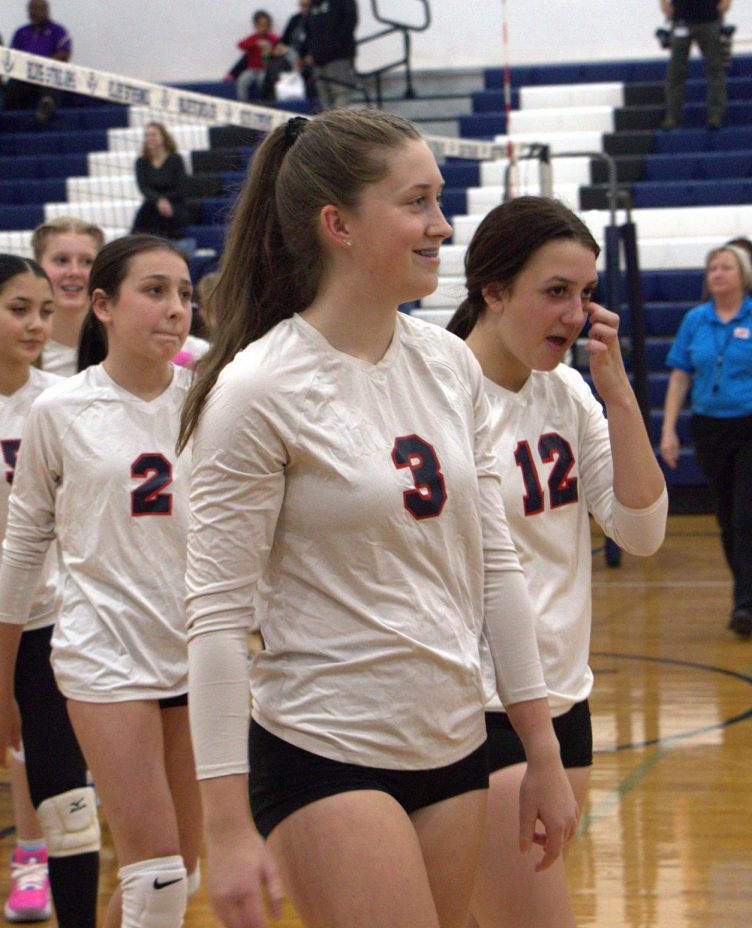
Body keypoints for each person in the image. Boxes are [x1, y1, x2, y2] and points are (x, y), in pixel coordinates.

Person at [178, 110, 579, 928]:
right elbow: (216, 620)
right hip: (324, 748)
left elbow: (494, 566)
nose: (442, 225)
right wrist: (224, 826)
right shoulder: (259, 390)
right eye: (418, 202)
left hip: (455, 738)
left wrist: (541, 748)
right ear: (339, 226)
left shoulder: (445, 363)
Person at [446, 196, 668, 928]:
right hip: (476, 701)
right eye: (555, 292)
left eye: (585, 294)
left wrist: (620, 393)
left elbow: (641, 530)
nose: (576, 315)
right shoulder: (440, 394)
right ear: (494, 290)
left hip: (564, 695)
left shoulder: (569, 390)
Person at [0, 235, 202, 928]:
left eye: (183, 293)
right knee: (156, 876)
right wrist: (1, 678)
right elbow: (24, 545)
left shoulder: (213, 399)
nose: (175, 309)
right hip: (103, 655)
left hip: (196, 653)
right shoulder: (59, 411)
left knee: (184, 873)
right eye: (154, 291)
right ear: (102, 306)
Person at [0, 255, 100, 928]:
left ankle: (48, 877)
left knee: (65, 790)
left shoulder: (60, 401)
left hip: (46, 623)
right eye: (18, 309)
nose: (37, 323)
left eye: (44, 309)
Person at [660, 245, 752, 637]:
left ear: (743, 276)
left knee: (746, 516)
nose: (717, 273)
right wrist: (669, 428)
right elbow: (679, 376)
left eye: (725, 267)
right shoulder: (695, 320)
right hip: (710, 428)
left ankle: (745, 605)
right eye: (712, 268)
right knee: (726, 519)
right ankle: (744, 591)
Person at [31, 219, 105, 378]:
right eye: (61, 260)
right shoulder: (13, 348)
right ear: (37, 266)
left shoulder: (122, 346)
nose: (74, 272)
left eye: (86, 261)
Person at [659, 0, 731, 131]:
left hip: (709, 17)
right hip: (681, 17)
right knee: (675, 72)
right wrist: (663, 3)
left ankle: (715, 115)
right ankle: (672, 117)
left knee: (714, 69)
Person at [4, 0, 71, 122]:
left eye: (38, 9)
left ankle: (46, 107)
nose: (34, 13)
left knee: (56, 85)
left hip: (48, 75)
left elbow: (64, 53)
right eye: (31, 10)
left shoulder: (58, 31)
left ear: (46, 11)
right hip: (24, 77)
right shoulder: (21, 32)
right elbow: (12, 55)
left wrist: (41, 65)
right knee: (9, 89)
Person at [131, 123, 189, 241]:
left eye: (153, 134)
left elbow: (181, 187)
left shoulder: (175, 159)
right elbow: (144, 188)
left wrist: (165, 201)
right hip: (152, 203)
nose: (150, 138)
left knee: (173, 219)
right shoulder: (141, 162)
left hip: (174, 202)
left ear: (163, 137)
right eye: (147, 135)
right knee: (140, 225)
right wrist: (159, 201)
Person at [304, 0, 359, 111]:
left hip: (339, 57)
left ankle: (338, 126)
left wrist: (335, 46)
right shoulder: (314, 4)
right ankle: (329, 127)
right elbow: (308, 29)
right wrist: (310, 51)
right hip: (318, 59)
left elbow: (349, 23)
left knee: (341, 94)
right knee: (325, 100)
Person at [264, 0, 316, 106]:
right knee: (273, 64)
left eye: (306, 6)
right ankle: (271, 100)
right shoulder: (295, 19)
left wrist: (306, 58)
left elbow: (317, 43)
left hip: (306, 57)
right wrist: (277, 49)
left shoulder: (316, 20)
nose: (303, 9)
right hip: (289, 54)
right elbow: (284, 40)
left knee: (279, 65)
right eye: (301, 6)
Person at [234, 11, 281, 102]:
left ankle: (265, 104)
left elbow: (280, 48)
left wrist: (270, 50)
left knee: (264, 82)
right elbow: (241, 45)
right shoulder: (253, 38)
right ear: (256, 26)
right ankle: (242, 104)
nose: (263, 28)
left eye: (266, 25)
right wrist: (256, 44)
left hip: (266, 70)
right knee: (242, 81)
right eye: (261, 25)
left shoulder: (273, 38)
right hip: (252, 69)